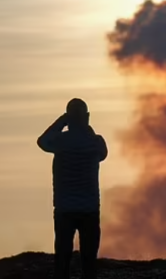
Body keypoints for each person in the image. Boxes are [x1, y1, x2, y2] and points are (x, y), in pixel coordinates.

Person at [37, 98, 108, 279]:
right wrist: (87, 128)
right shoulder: (95, 142)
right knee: (89, 262)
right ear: (87, 117)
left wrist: (62, 121)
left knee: (62, 260)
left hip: (64, 209)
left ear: (68, 117)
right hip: (90, 209)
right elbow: (103, 154)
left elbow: (42, 141)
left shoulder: (60, 141)